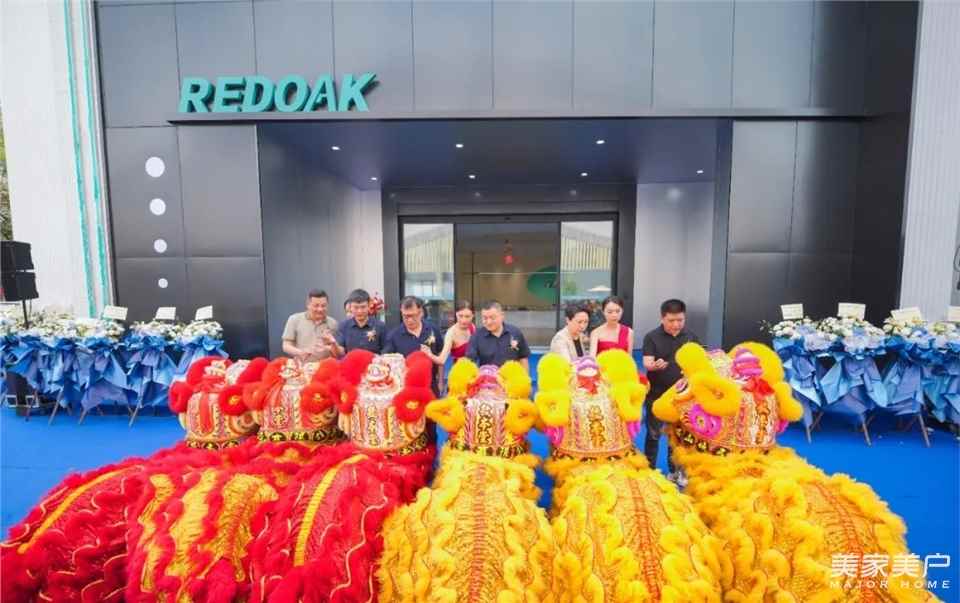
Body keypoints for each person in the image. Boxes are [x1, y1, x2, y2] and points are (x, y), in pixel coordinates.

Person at [642, 298, 699, 485]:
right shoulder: (651, 337)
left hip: (682, 397)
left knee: (677, 436)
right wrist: (654, 366)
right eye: (671, 320)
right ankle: (648, 470)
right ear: (662, 318)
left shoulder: (691, 337)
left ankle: (675, 472)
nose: (676, 324)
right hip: (657, 395)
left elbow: (699, 362)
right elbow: (647, 362)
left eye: (680, 320)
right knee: (653, 434)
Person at [384, 296, 444, 392]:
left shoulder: (433, 329)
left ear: (421, 313)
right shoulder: (394, 336)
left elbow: (440, 354)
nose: (409, 320)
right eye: (405, 316)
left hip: (431, 385)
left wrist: (440, 382)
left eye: (413, 316)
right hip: (405, 387)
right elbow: (387, 361)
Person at [466, 300, 531, 369]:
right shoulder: (477, 336)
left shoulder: (515, 332)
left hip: (511, 375)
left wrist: (525, 375)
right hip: (487, 375)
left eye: (492, 318)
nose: (488, 322)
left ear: (502, 316)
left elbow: (523, 357)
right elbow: (470, 362)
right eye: (485, 318)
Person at [281, 289, 339, 361]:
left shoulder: (333, 323)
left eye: (323, 306)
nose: (320, 309)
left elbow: (337, 352)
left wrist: (330, 346)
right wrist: (301, 352)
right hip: (303, 365)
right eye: (316, 305)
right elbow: (286, 346)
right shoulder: (294, 319)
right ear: (308, 305)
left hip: (325, 365)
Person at [331, 288, 386, 355]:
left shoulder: (380, 326)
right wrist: (333, 343)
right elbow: (340, 353)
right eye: (356, 307)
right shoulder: (343, 326)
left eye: (363, 307)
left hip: (373, 361)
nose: (359, 311)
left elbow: (386, 351)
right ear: (350, 307)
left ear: (369, 306)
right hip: (351, 361)